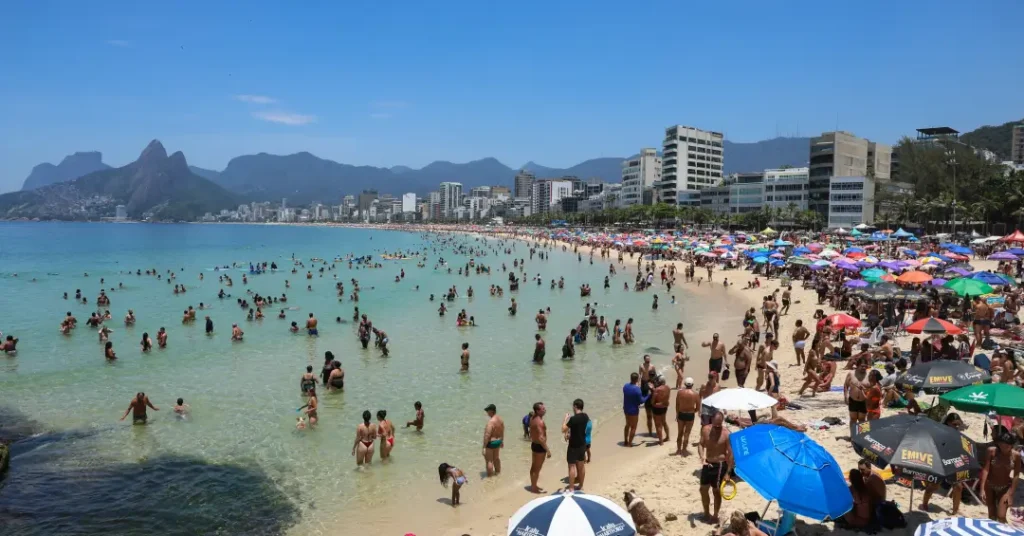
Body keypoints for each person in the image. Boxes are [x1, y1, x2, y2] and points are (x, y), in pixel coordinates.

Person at [980, 426, 1022, 522]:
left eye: (1007, 446)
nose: (1004, 448)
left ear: (1011, 445)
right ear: (998, 443)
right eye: (1002, 445)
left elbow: (1016, 475)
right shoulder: (991, 451)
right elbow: (986, 469)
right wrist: (982, 488)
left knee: (1001, 515)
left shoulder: (1016, 456)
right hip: (989, 485)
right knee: (991, 514)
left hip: (1005, 487)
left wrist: (1011, 494)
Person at [699, 411, 733, 524]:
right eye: (716, 424)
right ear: (712, 421)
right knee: (703, 490)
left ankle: (715, 515)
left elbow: (731, 454)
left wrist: (728, 472)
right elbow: (701, 444)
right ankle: (706, 513)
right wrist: (702, 456)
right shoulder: (705, 430)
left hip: (720, 465)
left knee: (716, 491)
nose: (718, 427)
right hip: (707, 463)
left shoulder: (726, 433)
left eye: (720, 424)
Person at [561, 398, 589, 492]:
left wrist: (565, 419)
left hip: (573, 446)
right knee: (581, 466)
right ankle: (581, 485)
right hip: (582, 444)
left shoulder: (573, 419)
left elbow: (563, 429)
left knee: (572, 466)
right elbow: (580, 429)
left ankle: (572, 487)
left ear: (575, 406)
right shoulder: (585, 416)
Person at [528, 402, 551, 493]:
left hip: (534, 444)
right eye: (543, 409)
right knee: (537, 468)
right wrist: (547, 450)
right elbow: (541, 438)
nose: (545, 410)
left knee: (534, 467)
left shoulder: (532, 418)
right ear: (537, 411)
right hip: (540, 447)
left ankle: (533, 485)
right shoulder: (540, 422)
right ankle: (534, 488)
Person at [622, 372, 649, 447]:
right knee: (633, 427)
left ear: (630, 378)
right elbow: (641, 401)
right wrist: (648, 395)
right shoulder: (637, 389)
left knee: (627, 425)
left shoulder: (625, 386)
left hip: (626, 409)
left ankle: (625, 441)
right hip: (633, 411)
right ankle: (630, 443)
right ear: (637, 379)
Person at [675, 377, 701, 456]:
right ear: (692, 385)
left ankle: (678, 450)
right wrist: (693, 411)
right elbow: (698, 407)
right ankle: (684, 449)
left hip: (681, 413)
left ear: (685, 384)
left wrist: (677, 414)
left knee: (680, 433)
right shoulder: (695, 394)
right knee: (687, 433)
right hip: (690, 414)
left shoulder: (680, 393)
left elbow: (677, 404)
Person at [482, 404, 504, 476]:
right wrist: (501, 441)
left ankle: (490, 478)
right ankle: (498, 473)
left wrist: (484, 447)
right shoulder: (500, 420)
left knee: (489, 461)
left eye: (487, 411)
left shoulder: (490, 422)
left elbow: (487, 435)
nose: (487, 413)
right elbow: (502, 431)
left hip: (491, 443)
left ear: (491, 411)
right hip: (498, 441)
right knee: (496, 459)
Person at [651, 375, 671, 446]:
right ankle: (668, 437)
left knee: (658, 425)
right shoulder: (668, 388)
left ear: (659, 381)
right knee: (664, 422)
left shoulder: (657, 390)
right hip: (664, 407)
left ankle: (661, 441)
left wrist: (653, 391)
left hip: (657, 408)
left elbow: (652, 402)